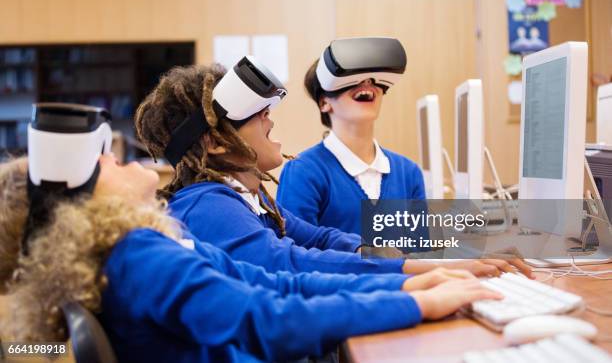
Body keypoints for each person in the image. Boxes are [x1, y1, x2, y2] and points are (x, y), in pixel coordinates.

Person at [0, 103, 502, 363]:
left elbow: (298, 266)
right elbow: (282, 281)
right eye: (255, 115)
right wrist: (411, 286)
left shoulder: (401, 167)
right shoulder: (306, 172)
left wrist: (409, 276)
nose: (270, 120)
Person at [135, 56, 532, 278]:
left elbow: (323, 240)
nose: (271, 122)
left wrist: (428, 261)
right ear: (217, 141)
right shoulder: (210, 204)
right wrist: (410, 278)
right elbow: (292, 263)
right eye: (258, 116)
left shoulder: (248, 201)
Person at [276, 37, 533, 276]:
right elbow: (298, 261)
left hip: (410, 291)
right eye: (353, 79)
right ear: (324, 103)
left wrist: (473, 257)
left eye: (373, 79)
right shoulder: (303, 171)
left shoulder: (407, 172)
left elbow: (418, 254)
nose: (367, 84)